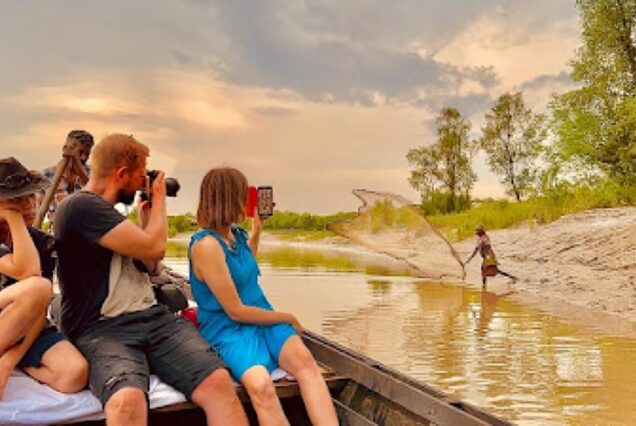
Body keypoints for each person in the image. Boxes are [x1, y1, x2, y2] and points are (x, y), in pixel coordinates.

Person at [54, 135, 248, 426]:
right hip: (100, 328)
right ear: (121, 174)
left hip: (153, 319)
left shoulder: (110, 217)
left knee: (219, 384)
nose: (144, 181)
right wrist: (159, 201)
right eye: (140, 174)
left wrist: (147, 219)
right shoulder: (80, 206)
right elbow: (155, 247)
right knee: (127, 400)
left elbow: (152, 265)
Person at [189, 167, 338, 426]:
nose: (248, 202)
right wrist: (287, 316)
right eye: (242, 195)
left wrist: (257, 229)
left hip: (261, 315)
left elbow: (243, 268)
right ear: (227, 198)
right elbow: (235, 310)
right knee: (261, 386)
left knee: (305, 363)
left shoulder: (235, 235)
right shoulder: (207, 246)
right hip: (229, 328)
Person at [0, 157, 88, 399]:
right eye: (17, 199)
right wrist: (13, 217)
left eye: (31, 196)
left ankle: (20, 364)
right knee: (37, 286)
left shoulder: (44, 243)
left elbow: (39, 312)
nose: (29, 204)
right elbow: (28, 272)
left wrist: (9, 361)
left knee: (75, 374)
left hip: (25, 329)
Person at [40, 130, 94, 229]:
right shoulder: (47, 176)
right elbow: (36, 211)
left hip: (87, 236)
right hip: (56, 236)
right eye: (80, 152)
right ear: (64, 149)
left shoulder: (93, 174)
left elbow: (96, 196)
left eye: (87, 154)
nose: (84, 157)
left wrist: (77, 163)